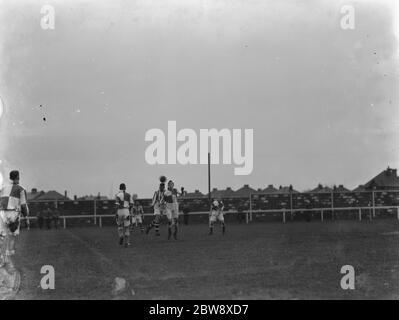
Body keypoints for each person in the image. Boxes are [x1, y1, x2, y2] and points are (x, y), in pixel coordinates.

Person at [0, 170, 29, 291]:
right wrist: (26, 215)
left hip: (1, 215)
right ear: (18, 177)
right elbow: (23, 206)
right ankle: (9, 269)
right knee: (11, 241)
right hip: (13, 215)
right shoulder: (21, 189)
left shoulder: (3, 188)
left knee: (2, 239)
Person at [115, 183, 134, 247]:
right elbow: (131, 204)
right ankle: (127, 243)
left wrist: (116, 213)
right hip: (126, 211)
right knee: (127, 227)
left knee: (119, 225)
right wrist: (129, 211)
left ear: (119, 188)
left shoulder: (117, 195)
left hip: (119, 211)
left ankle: (121, 236)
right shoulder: (128, 195)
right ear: (125, 188)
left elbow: (117, 205)